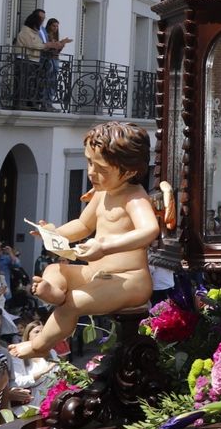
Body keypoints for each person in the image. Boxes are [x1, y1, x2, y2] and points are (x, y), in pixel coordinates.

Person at [12, 122, 159, 359]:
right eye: (89, 162)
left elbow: (149, 230)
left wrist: (104, 247)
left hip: (129, 280)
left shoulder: (134, 198)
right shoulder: (102, 195)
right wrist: (55, 233)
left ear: (129, 171)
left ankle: (39, 346)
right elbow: (83, 225)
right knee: (53, 268)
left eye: (101, 168)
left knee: (74, 303)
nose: (91, 172)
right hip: (96, 274)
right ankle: (54, 291)